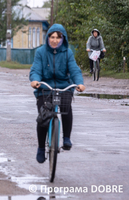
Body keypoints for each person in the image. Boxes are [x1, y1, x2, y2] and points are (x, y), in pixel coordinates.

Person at [29, 24, 86, 164]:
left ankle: (66, 138)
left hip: (64, 86)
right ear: (48, 37)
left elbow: (74, 70)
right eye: (52, 37)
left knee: (66, 107)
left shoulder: (68, 52)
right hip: (45, 87)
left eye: (58, 38)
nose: (55, 40)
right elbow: (35, 69)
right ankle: (41, 148)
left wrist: (79, 83)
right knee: (43, 116)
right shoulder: (41, 52)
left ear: (63, 39)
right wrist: (35, 80)